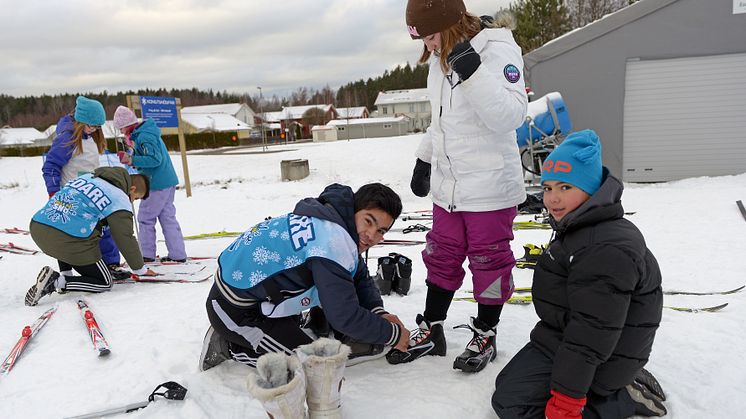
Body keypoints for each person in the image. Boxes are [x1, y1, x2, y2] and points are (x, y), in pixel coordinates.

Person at [387, 1, 528, 373]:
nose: (430, 47)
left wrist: (475, 74)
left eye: (432, 37)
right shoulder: (439, 61)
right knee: (442, 254)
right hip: (449, 187)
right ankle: (432, 327)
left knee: (490, 261)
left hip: (489, 186)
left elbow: (511, 117)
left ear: (449, 24)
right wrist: (424, 158)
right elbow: (441, 122)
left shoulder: (496, 49)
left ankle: (486, 330)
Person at [491, 130, 667, 418]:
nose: (553, 199)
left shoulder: (604, 247)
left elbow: (592, 332)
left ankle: (620, 397)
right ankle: (611, 386)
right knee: (507, 385)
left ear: (592, 189)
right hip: (568, 335)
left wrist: (567, 402)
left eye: (565, 187)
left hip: (604, 351)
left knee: (514, 406)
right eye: (547, 188)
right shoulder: (581, 225)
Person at [198, 183, 410, 371]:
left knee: (331, 288)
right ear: (355, 210)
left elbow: (358, 274)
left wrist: (377, 312)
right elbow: (344, 316)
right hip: (235, 311)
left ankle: (288, 328)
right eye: (368, 222)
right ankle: (229, 345)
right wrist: (392, 334)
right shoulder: (332, 243)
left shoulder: (330, 219)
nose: (372, 235)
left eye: (381, 230)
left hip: (264, 298)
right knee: (311, 367)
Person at [25, 167, 157, 306]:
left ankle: (66, 275)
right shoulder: (119, 198)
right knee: (105, 282)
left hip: (38, 227)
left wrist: (67, 271)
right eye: (136, 198)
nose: (132, 201)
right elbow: (125, 237)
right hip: (69, 240)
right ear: (132, 189)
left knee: (69, 219)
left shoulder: (86, 178)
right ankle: (57, 282)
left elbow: (68, 214)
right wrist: (140, 269)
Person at [41, 96, 127, 279]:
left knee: (104, 226)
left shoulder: (90, 136)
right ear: (81, 121)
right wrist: (53, 193)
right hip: (71, 194)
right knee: (69, 231)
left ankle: (111, 264)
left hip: (90, 191)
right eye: (92, 126)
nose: (95, 129)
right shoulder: (68, 138)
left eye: (98, 126)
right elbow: (50, 167)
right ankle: (65, 271)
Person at [113, 106, 187, 263]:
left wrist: (132, 160)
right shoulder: (146, 133)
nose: (122, 132)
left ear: (129, 124)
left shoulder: (144, 136)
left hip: (156, 183)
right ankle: (178, 254)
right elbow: (151, 156)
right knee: (168, 217)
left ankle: (146, 254)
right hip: (166, 181)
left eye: (122, 128)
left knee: (145, 218)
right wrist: (132, 156)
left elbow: (155, 159)